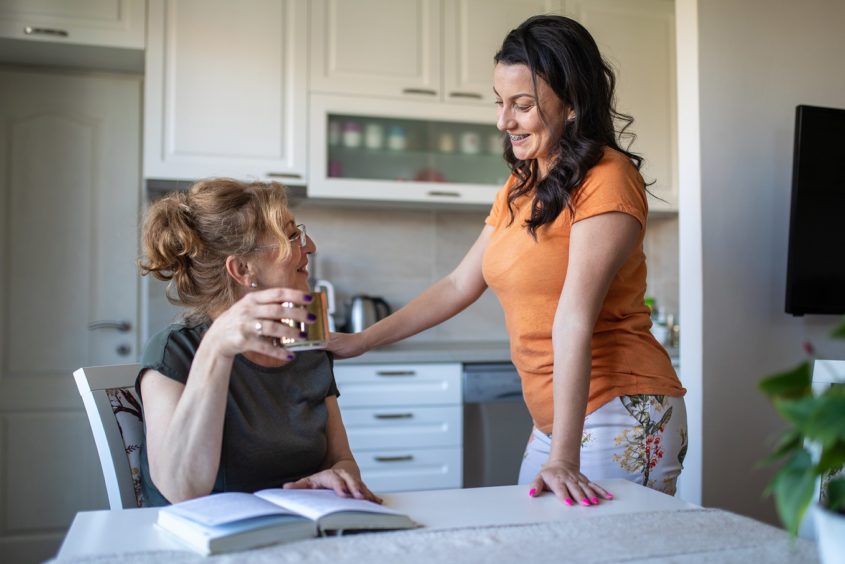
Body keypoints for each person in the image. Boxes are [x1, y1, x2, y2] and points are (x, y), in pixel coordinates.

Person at [330, 15, 687, 506]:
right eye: (500, 103)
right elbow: (459, 284)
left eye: (522, 106)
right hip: (559, 420)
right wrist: (360, 341)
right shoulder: (523, 185)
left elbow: (574, 317)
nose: (504, 122)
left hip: (618, 408)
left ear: (573, 105)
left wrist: (563, 456)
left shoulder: (607, 178)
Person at [136, 178, 379, 506]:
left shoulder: (306, 345)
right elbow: (182, 490)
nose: (310, 247)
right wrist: (217, 349)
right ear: (242, 268)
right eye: (292, 236)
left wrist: (336, 477)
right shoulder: (175, 352)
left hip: (295, 539)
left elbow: (342, 460)